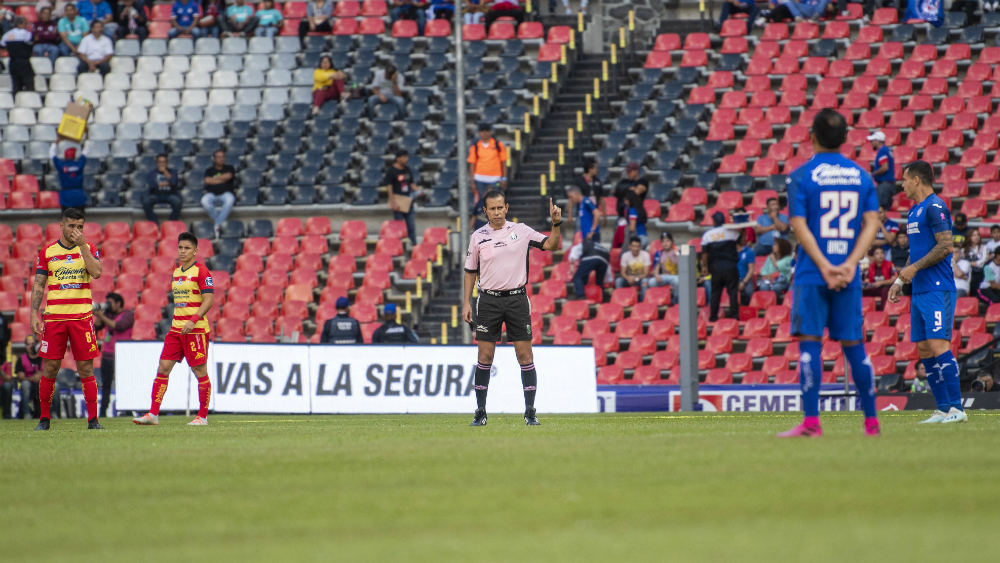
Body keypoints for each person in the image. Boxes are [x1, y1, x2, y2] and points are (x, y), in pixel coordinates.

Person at [781, 108, 881, 438]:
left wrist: (824, 266)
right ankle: (871, 423)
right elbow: (872, 223)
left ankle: (812, 422)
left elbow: (798, 225)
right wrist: (851, 263)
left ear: (811, 137)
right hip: (848, 275)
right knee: (855, 348)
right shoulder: (862, 177)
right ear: (846, 139)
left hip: (813, 274)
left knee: (810, 346)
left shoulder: (800, 177)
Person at [463, 191, 562, 426]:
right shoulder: (478, 237)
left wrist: (556, 224)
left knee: (524, 355)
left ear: (506, 207)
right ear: (485, 211)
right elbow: (470, 271)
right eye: (492, 209)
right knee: (484, 356)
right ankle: (480, 411)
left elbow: (552, 244)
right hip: (488, 300)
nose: (497, 213)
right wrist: (466, 302)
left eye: (500, 208)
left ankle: (530, 412)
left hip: (517, 299)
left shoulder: (522, 230)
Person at [888, 160, 966, 424]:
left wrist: (915, 268)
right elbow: (916, 252)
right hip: (919, 289)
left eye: (905, 179)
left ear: (917, 180)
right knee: (923, 348)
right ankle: (943, 408)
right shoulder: (913, 212)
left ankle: (957, 408)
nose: (902, 184)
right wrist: (900, 280)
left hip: (937, 287)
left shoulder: (935, 206)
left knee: (938, 345)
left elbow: (946, 246)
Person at [30, 207, 104, 431]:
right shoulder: (48, 251)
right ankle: (44, 419)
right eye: (71, 226)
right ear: (61, 225)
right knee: (50, 368)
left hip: (82, 318)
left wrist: (83, 246)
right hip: (54, 320)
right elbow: (39, 285)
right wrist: (34, 313)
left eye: (80, 226)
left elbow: (97, 273)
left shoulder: (89, 249)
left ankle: (93, 420)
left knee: (86, 369)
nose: (75, 230)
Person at [133, 233, 215, 427]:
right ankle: (153, 414)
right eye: (180, 247)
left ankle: (202, 417)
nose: (183, 251)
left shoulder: (202, 271)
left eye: (187, 248)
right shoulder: (177, 272)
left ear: (195, 250)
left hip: (195, 330)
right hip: (176, 329)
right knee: (163, 368)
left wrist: (193, 320)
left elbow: (209, 299)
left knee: (199, 371)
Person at [92, 292, 133, 418]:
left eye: (110, 303)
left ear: (118, 303)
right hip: (107, 354)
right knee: (106, 384)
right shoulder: (108, 314)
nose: (109, 305)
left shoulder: (127, 315)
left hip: (122, 354)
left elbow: (118, 326)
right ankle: (103, 411)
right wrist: (101, 313)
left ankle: (127, 410)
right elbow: (97, 327)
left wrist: (101, 315)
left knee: (124, 383)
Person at [702, 211, 741, 322]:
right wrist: (743, 230)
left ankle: (713, 316)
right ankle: (734, 316)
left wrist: (704, 266)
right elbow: (742, 243)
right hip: (730, 266)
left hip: (716, 267)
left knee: (715, 293)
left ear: (714, 221)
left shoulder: (708, 235)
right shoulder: (732, 232)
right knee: (732, 292)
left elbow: (705, 254)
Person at [467, 123, 509, 206]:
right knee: (482, 202)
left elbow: (503, 162)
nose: (484, 133)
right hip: (479, 179)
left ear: (490, 132)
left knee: (495, 200)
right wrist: (472, 182)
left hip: (495, 178)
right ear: (479, 133)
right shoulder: (475, 147)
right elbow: (472, 165)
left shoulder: (498, 145)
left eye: (486, 131)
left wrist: (504, 178)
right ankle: (483, 218)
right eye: (482, 131)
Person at [385, 149, 420, 245]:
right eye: (404, 157)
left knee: (411, 228)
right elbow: (389, 188)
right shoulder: (391, 171)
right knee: (400, 229)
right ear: (398, 158)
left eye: (407, 157)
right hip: (398, 204)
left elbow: (411, 184)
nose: (407, 159)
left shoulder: (407, 169)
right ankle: (401, 247)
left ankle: (413, 247)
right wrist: (393, 204)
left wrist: (418, 190)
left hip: (408, 203)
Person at [201, 150, 236, 236]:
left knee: (230, 200)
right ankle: (219, 222)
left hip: (226, 193)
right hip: (212, 194)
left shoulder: (230, 168)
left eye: (223, 157)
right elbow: (207, 181)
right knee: (204, 201)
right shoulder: (209, 170)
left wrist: (214, 179)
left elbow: (229, 176)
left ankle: (217, 224)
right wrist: (222, 179)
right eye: (219, 157)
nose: (221, 159)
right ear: (214, 159)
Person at [50, 141, 89, 211]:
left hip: (66, 195)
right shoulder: (79, 164)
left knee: (66, 220)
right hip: (79, 195)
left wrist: (56, 142)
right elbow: (86, 152)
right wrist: (87, 139)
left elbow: (52, 154)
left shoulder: (61, 166)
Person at [143, 153, 181, 225]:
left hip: (170, 194)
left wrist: (165, 172)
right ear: (156, 163)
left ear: (167, 163)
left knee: (177, 202)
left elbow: (174, 182)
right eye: (160, 162)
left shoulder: (173, 171)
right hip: (155, 194)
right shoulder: (151, 173)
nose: (162, 164)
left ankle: (171, 223)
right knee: (146, 202)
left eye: (164, 162)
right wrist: (167, 183)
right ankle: (155, 224)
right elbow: (152, 185)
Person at [2, 16, 34, 95]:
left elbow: (2, 45)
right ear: (19, 24)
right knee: (28, 84)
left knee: (16, 85)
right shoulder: (26, 34)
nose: (26, 26)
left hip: (13, 62)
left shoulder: (7, 34)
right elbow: (31, 42)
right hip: (24, 62)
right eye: (25, 24)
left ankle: (16, 102)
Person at [15, 334, 44, 419]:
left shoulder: (43, 358)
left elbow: (51, 374)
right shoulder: (21, 359)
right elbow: (20, 378)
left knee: (55, 386)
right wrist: (33, 378)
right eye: (28, 344)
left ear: (37, 344)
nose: (30, 346)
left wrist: (42, 377)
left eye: (33, 344)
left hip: (41, 385)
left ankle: (53, 413)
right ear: (25, 346)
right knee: (25, 384)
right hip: (29, 387)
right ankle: (26, 413)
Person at [868, 131, 897, 211]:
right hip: (887, 185)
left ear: (878, 140)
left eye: (872, 140)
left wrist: (873, 174)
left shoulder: (882, 151)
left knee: (880, 210)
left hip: (884, 186)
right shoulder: (886, 150)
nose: (871, 143)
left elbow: (885, 167)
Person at [647, 232, 679, 299]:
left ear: (672, 242)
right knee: (651, 282)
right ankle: (659, 299)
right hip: (663, 277)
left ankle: (676, 300)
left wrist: (678, 255)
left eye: (667, 241)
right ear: (661, 244)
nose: (665, 243)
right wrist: (656, 275)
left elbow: (683, 268)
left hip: (675, 276)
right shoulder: (659, 253)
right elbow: (655, 269)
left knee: (677, 281)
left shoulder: (677, 252)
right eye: (663, 242)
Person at [964, 229, 989, 299]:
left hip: (980, 271)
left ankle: (975, 298)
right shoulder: (964, 249)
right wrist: (971, 264)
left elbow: (983, 261)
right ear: (969, 237)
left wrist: (969, 263)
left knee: (975, 278)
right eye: (974, 235)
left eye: (978, 235)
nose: (976, 237)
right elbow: (962, 262)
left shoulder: (984, 247)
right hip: (967, 271)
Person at [737, 231, 756, 306]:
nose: (746, 238)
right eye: (743, 237)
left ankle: (747, 308)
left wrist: (743, 282)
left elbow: (751, 270)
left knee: (749, 292)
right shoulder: (731, 252)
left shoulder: (749, 251)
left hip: (746, 279)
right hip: (734, 279)